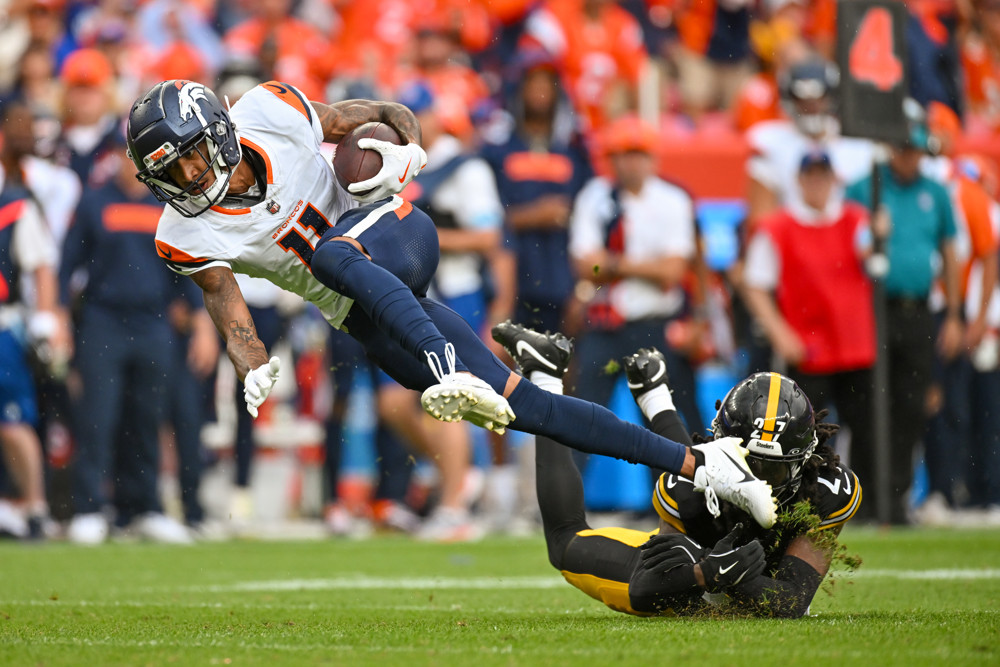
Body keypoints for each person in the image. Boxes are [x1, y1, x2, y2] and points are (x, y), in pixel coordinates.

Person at [124, 79, 778, 528]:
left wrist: (404, 150)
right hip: (365, 315)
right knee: (531, 409)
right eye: (169, 173)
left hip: (395, 230)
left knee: (332, 254)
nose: (186, 179)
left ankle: (443, 362)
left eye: (188, 160)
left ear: (217, 129)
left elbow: (382, 116)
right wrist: (252, 362)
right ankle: (704, 464)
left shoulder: (270, 109)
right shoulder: (180, 231)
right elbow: (229, 308)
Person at [492, 321, 862, 618]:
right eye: (749, 463)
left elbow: (792, 601)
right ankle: (545, 376)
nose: (759, 480)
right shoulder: (690, 485)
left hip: (709, 563)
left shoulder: (823, 489)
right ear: (722, 449)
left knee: (693, 475)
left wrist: (732, 580)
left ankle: (655, 397)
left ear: (805, 459)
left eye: (775, 471)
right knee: (563, 542)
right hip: (686, 577)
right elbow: (646, 587)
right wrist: (702, 573)